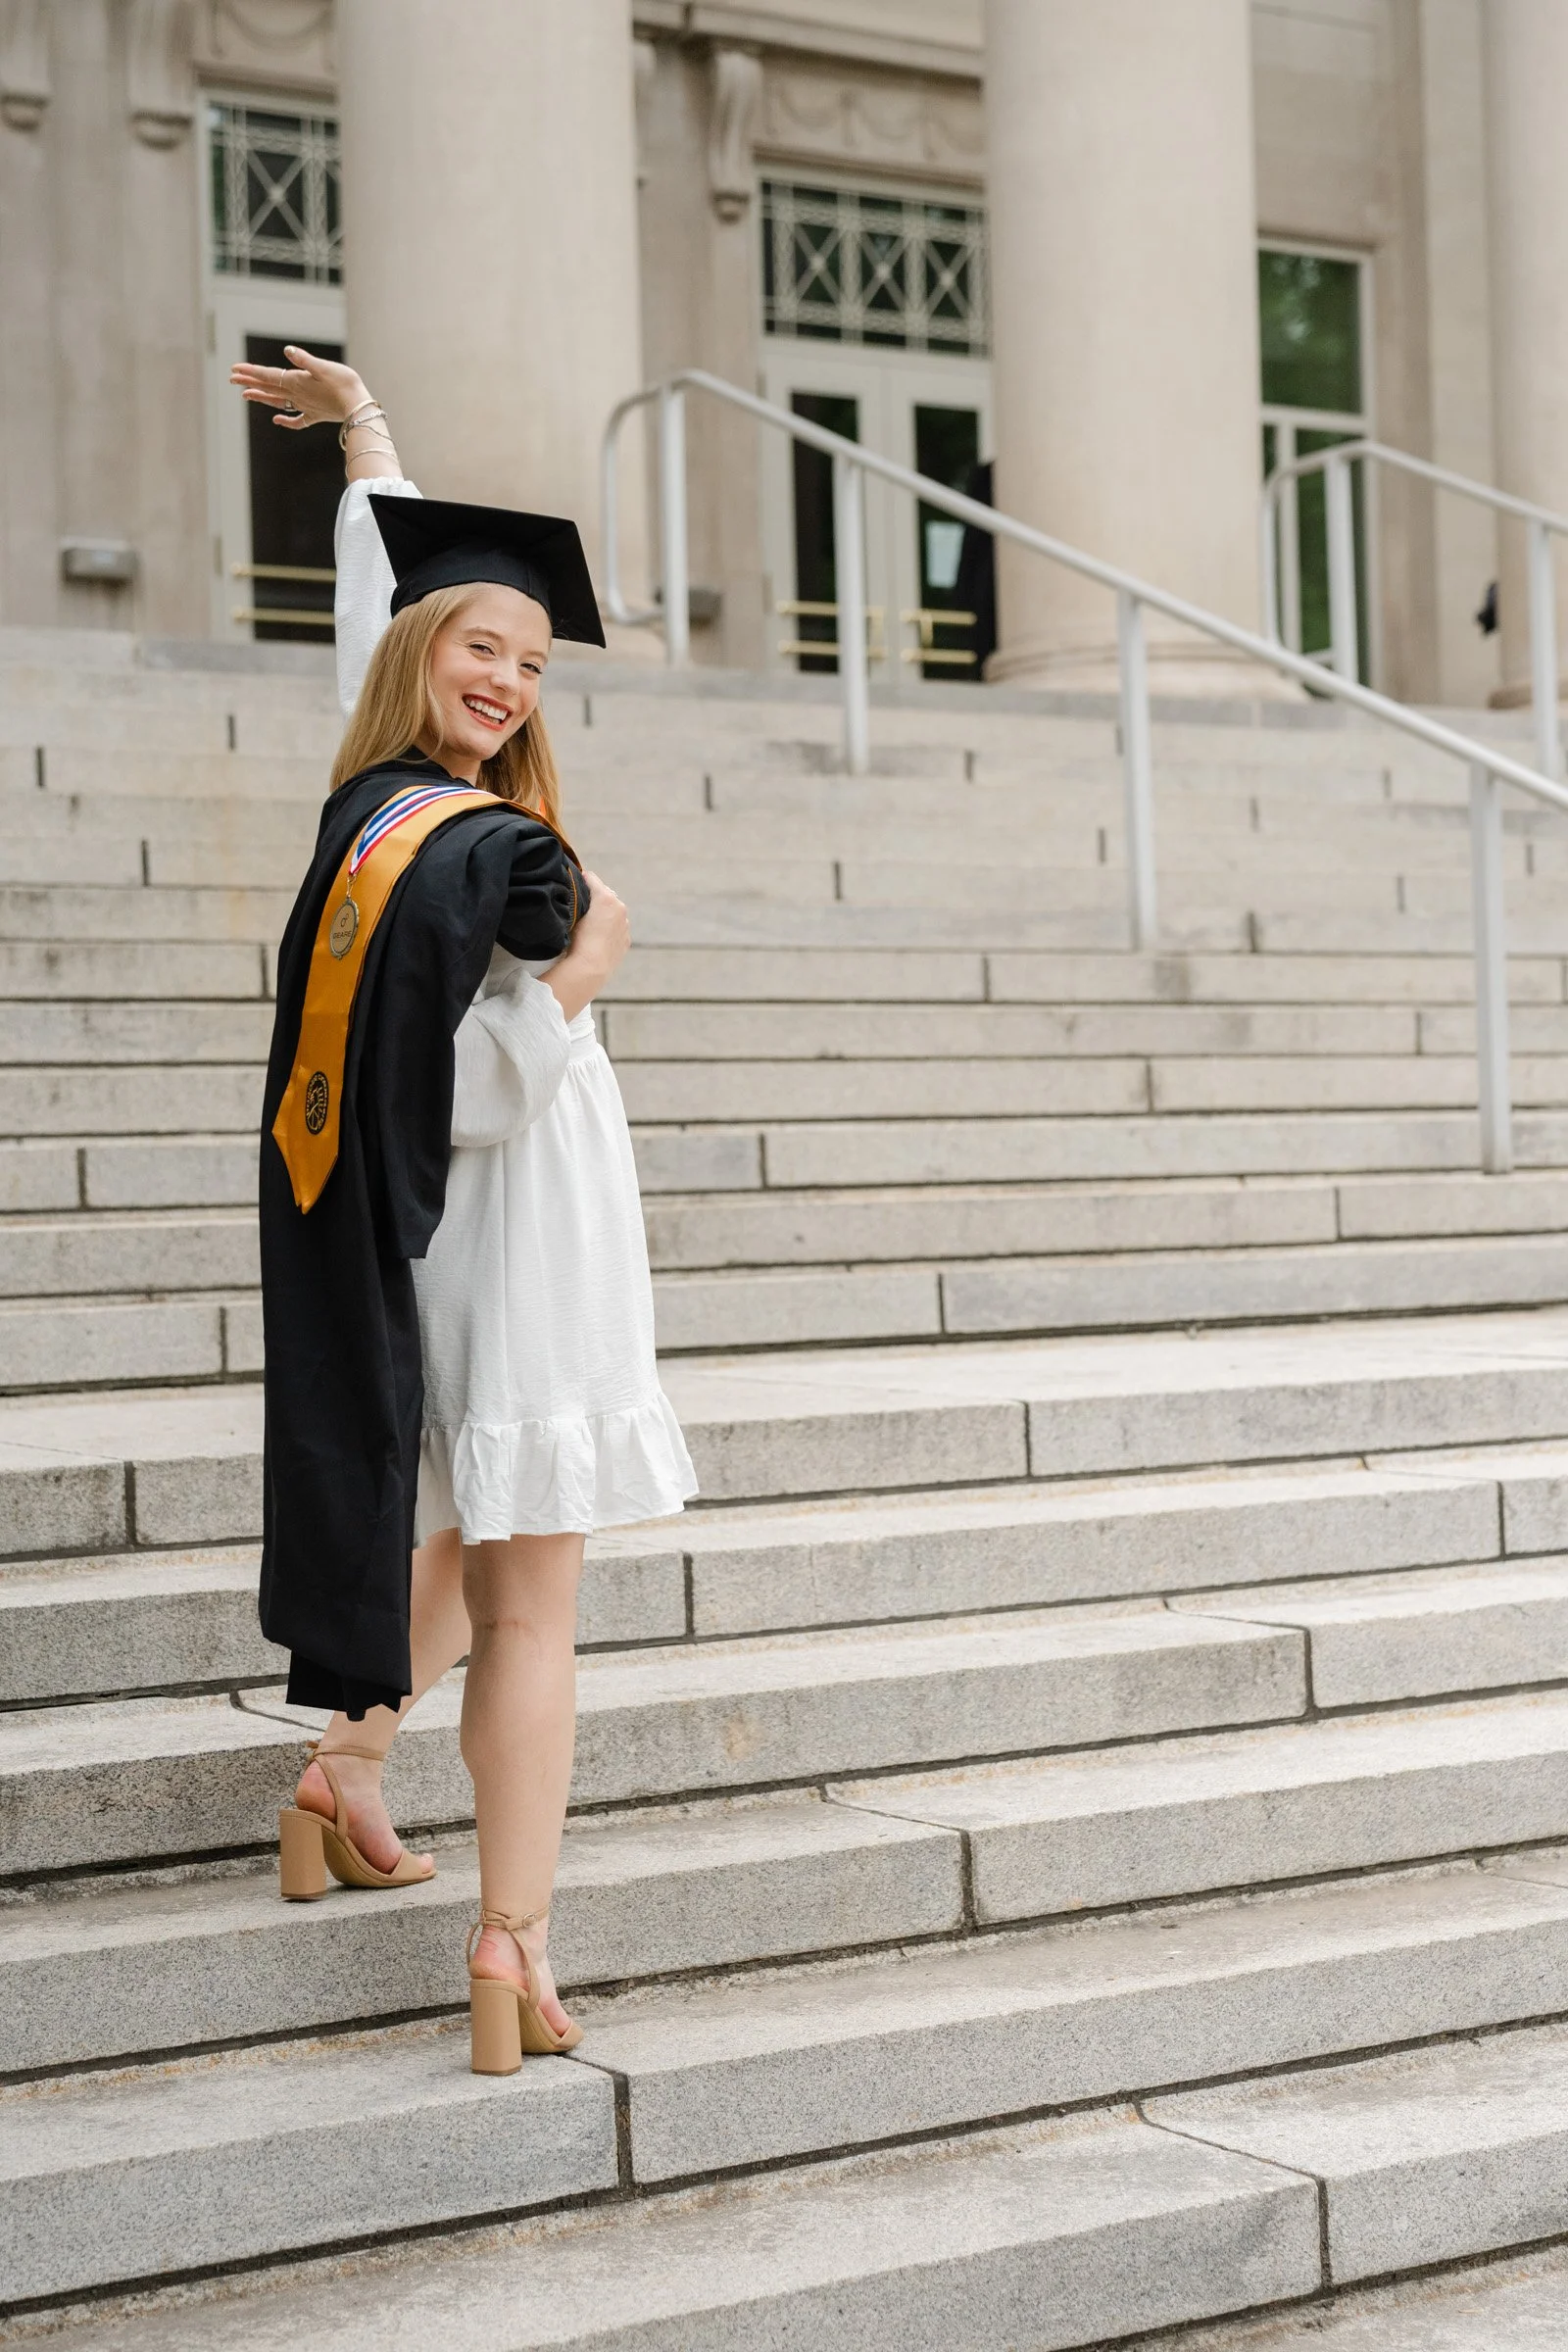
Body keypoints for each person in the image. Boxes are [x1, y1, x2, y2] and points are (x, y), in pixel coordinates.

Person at [234, 345, 697, 2072]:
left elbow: (384, 582)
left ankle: (339, 1774)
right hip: (514, 1242)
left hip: (441, 1244)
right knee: (529, 1604)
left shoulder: (383, 823)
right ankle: (514, 1949)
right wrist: (583, 975)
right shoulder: (466, 862)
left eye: (528, 655)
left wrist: (366, 439)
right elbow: (475, 1094)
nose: (503, 675)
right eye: (474, 645)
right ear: (418, 660)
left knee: (451, 1537)